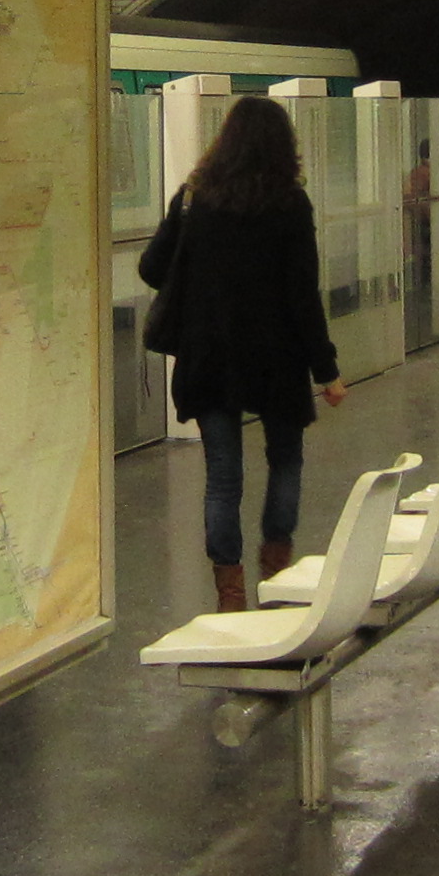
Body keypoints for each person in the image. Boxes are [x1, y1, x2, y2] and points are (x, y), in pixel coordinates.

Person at [137, 93, 346, 612]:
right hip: (276, 359)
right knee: (285, 461)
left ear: (224, 142)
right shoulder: (290, 204)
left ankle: (229, 595)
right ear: (283, 146)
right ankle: (276, 576)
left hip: (208, 356)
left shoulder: (193, 197)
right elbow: (303, 295)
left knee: (222, 477)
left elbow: (151, 269)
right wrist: (327, 371)